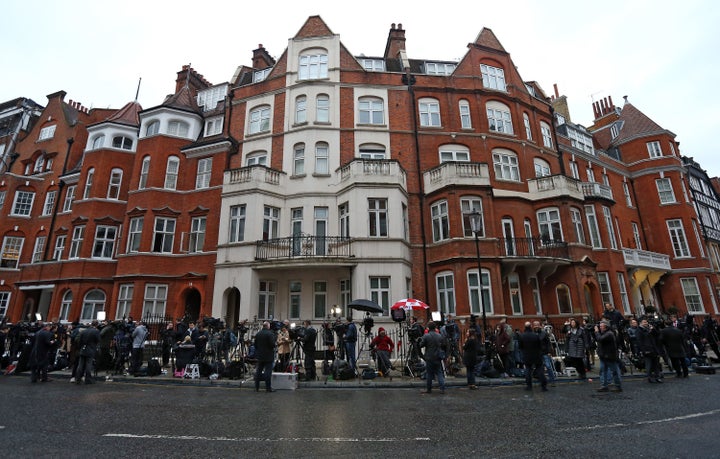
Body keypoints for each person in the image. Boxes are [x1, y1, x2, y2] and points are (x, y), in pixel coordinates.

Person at [417, 321, 447, 394]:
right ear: (435, 327)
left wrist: (419, 341)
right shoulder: (439, 335)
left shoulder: (426, 336)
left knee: (429, 374)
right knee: (439, 373)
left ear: (428, 328)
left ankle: (429, 389)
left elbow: (421, 345)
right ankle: (442, 388)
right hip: (437, 356)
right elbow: (444, 345)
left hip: (429, 357)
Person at [594, 320, 622, 392]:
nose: (600, 327)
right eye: (599, 326)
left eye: (601, 326)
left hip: (609, 356)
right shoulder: (604, 333)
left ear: (606, 326)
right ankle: (604, 385)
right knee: (603, 371)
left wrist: (596, 332)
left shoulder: (609, 334)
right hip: (603, 356)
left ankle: (618, 386)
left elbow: (600, 339)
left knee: (614, 371)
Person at [519, 321, 547, 391]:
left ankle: (529, 386)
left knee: (528, 370)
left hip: (527, 355)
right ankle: (543, 386)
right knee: (539, 370)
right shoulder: (535, 335)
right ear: (531, 326)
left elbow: (520, 346)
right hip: (536, 355)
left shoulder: (522, 336)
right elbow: (540, 345)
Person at [254, 321, 277, 392]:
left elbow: (255, 345)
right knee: (268, 372)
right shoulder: (270, 334)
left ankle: (257, 387)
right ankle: (268, 388)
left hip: (260, 355)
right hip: (268, 355)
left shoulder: (258, 334)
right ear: (268, 326)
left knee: (258, 371)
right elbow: (272, 344)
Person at [637, 318, 661, 383]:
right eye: (644, 322)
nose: (646, 323)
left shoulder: (649, 328)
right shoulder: (639, 330)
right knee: (649, 365)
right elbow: (639, 342)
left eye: (646, 322)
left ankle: (658, 377)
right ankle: (649, 378)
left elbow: (657, 334)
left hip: (654, 349)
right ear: (640, 323)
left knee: (656, 364)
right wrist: (643, 350)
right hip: (647, 350)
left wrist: (653, 329)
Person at [75, 320, 101, 384]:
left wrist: (81, 347)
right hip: (91, 349)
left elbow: (79, 340)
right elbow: (98, 340)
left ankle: (78, 378)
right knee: (88, 365)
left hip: (83, 349)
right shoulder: (96, 331)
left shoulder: (84, 331)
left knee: (80, 365)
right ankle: (88, 379)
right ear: (97, 325)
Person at [533, 321, 556, 386]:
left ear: (540, 325)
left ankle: (552, 381)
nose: (536, 326)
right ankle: (542, 381)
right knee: (539, 368)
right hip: (537, 353)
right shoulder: (533, 334)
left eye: (537, 325)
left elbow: (548, 343)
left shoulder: (544, 333)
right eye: (535, 325)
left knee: (548, 367)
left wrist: (549, 352)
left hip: (545, 352)